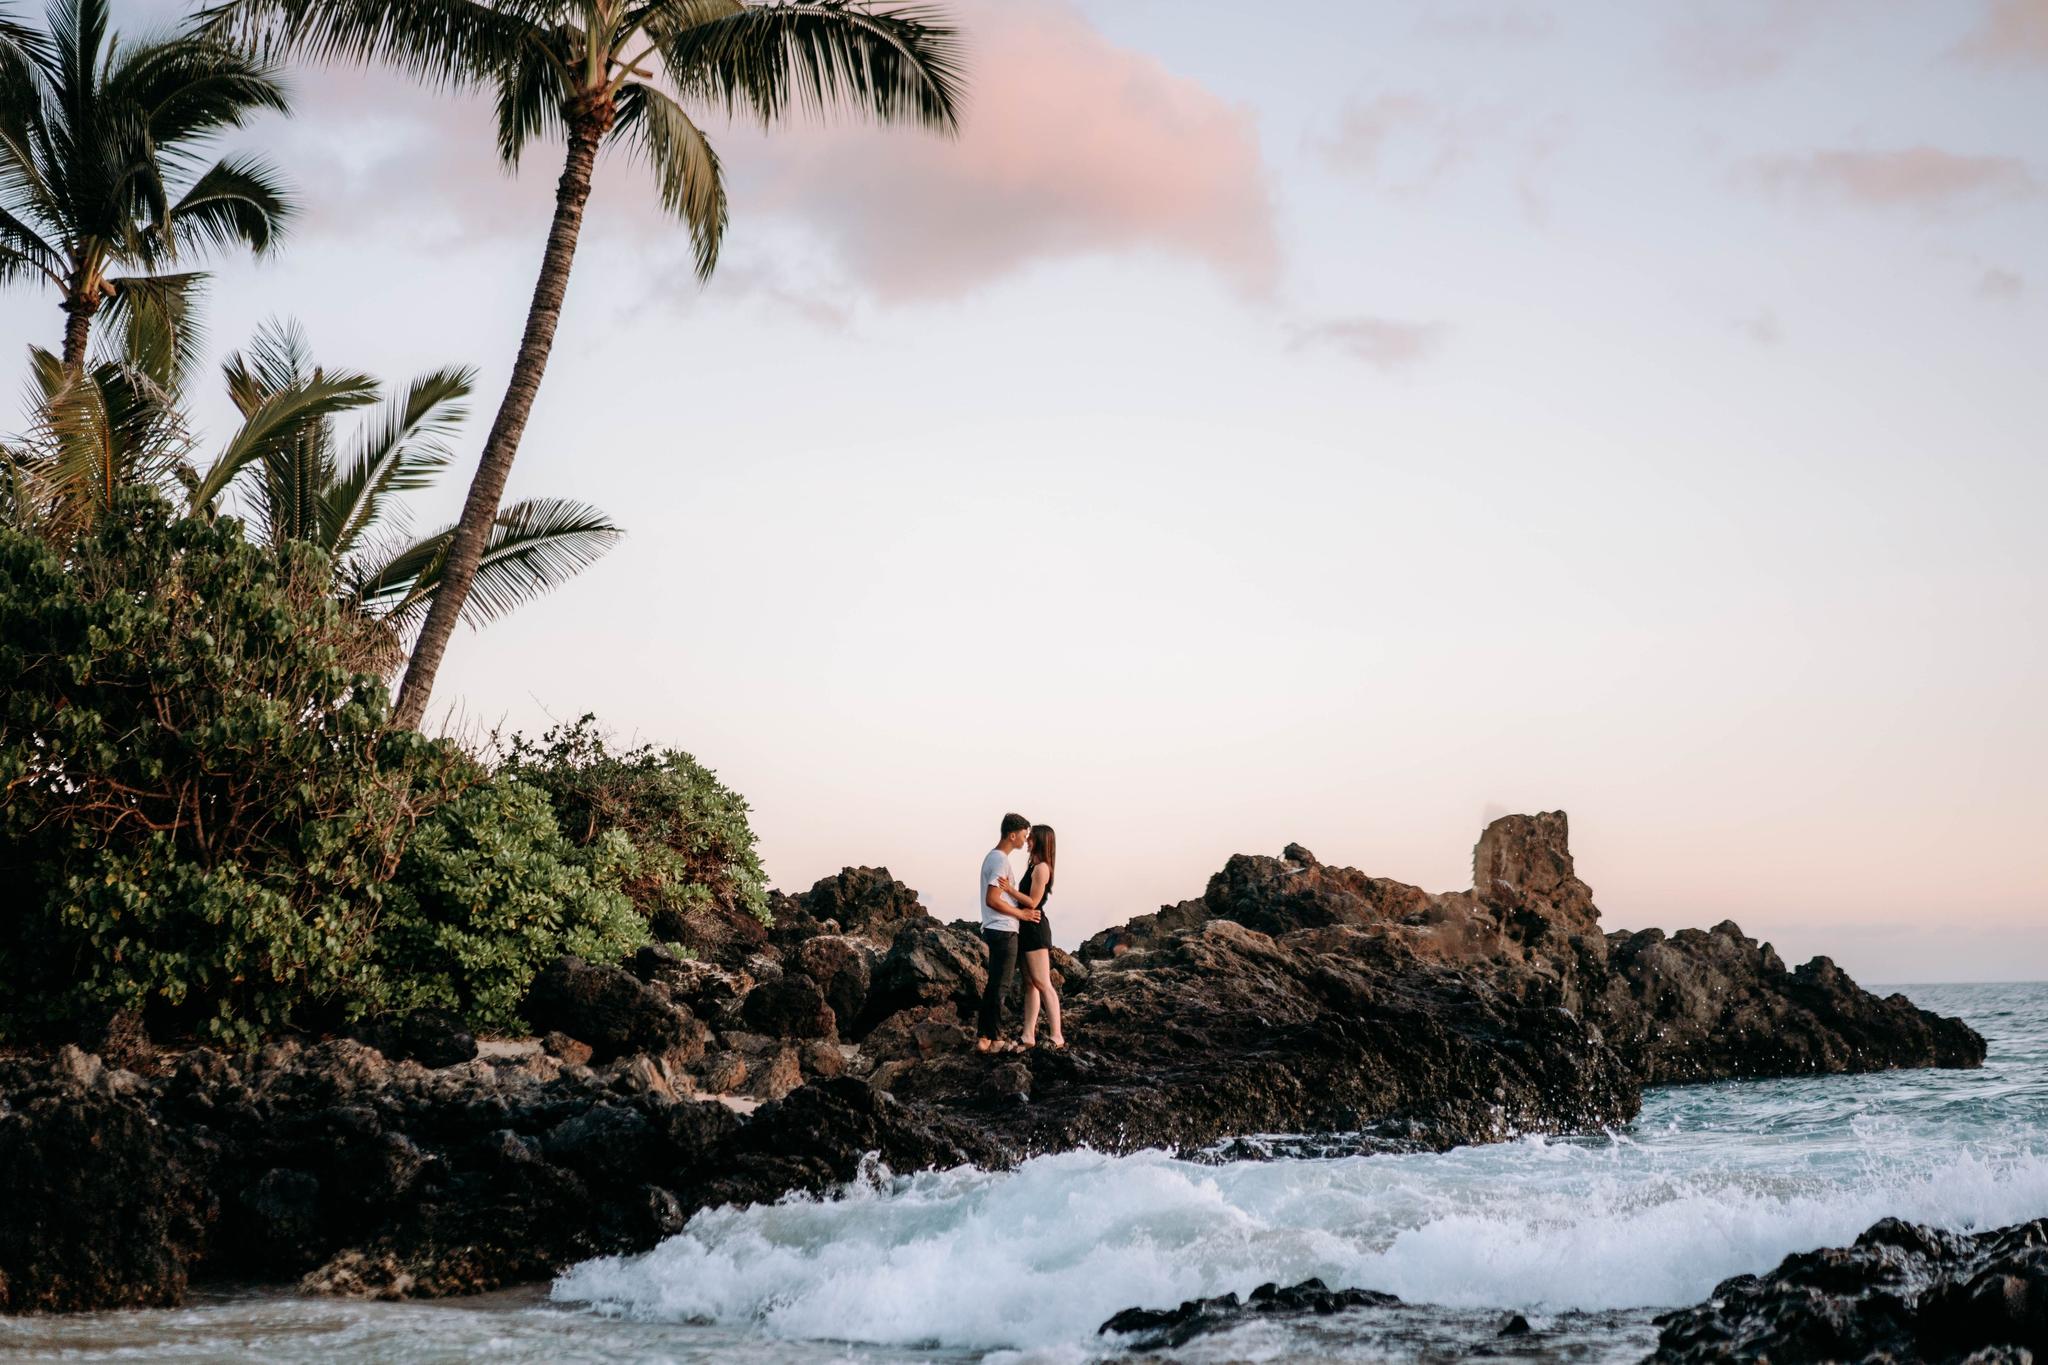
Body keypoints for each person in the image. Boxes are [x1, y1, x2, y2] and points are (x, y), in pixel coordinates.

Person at [976, 813, 1039, 1054]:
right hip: (1003, 928)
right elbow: (992, 899)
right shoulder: (1000, 860)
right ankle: (995, 1038)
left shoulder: (993, 858)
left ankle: (985, 1037)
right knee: (1000, 986)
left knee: (994, 985)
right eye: (1024, 835)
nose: (1025, 840)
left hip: (996, 928)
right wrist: (1021, 914)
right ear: (1012, 835)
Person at [1002, 824, 1065, 1049]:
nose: (1027, 840)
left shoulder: (1042, 869)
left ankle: (1057, 1035)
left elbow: (1033, 902)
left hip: (1036, 928)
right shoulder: (1034, 866)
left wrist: (1009, 890)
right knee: (1030, 983)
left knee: (1042, 982)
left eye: (1031, 838)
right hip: (1025, 927)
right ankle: (1028, 1034)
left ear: (1040, 840)